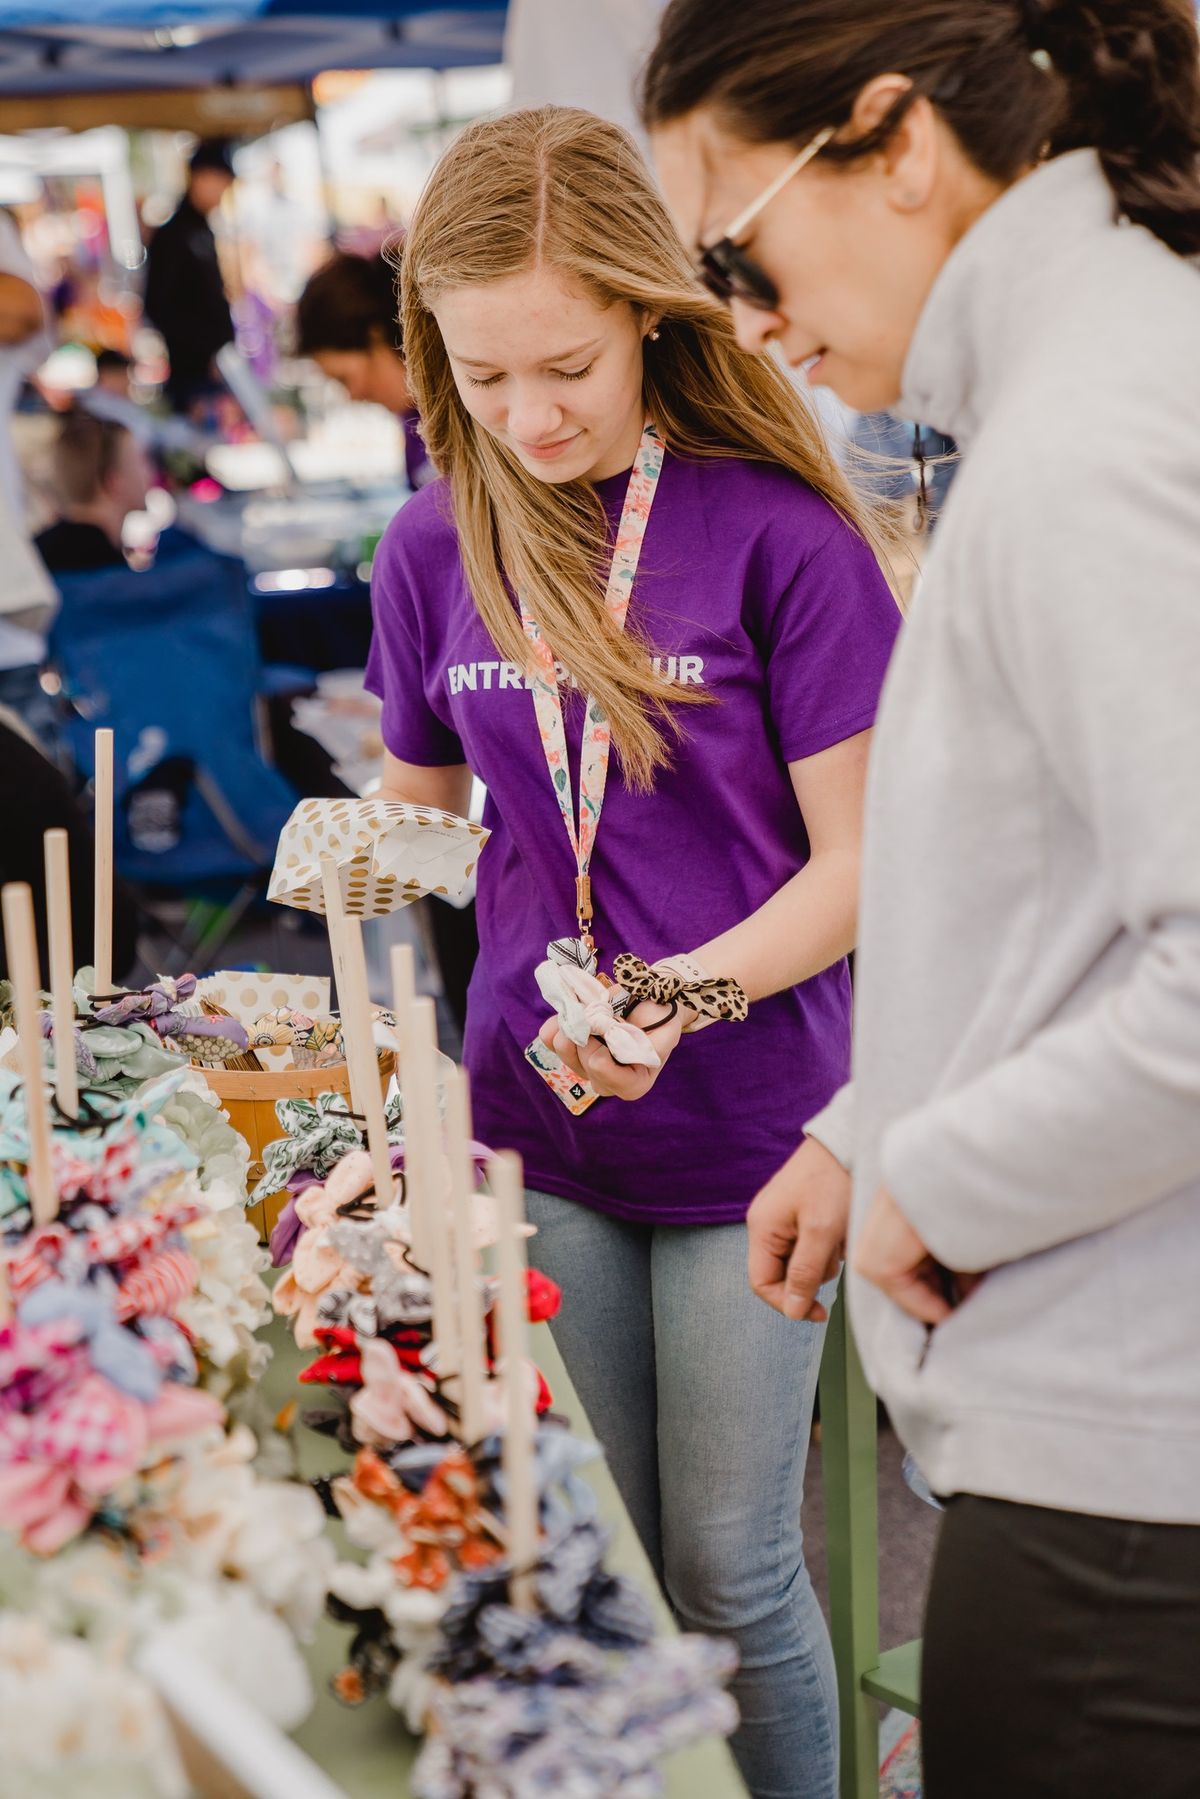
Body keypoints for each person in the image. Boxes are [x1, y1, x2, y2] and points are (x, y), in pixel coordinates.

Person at [642, 3, 1200, 1794]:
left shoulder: (1087, 438)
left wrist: (931, 1173)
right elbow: (1076, 905)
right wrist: (876, 1112)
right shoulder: (1096, 380)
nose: (742, 317)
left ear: (893, 144)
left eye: (737, 243)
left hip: (1127, 1456)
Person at [366, 106, 899, 1799]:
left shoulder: (779, 534)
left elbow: (870, 862)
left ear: (655, 313)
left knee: (732, 1565)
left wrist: (675, 995)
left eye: (570, 367)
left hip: (757, 1125)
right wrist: (346, 878)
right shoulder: (432, 540)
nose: (529, 418)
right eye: (487, 374)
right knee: (592, 1549)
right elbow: (424, 830)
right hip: (536, 1124)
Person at [297, 248, 474, 1036]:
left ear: (385, 334)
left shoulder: (463, 432)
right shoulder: (419, 452)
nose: (354, 395)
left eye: (347, 375)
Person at [296, 250, 435, 493]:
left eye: (344, 379)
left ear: (377, 338)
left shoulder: (471, 414)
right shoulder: (414, 423)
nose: (353, 395)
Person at [143, 139, 236, 415]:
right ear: (200, 177)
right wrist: (204, 350)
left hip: (212, 368)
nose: (223, 191)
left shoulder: (202, 229)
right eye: (219, 181)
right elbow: (158, 305)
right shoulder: (174, 234)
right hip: (192, 375)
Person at [35, 411, 153, 577]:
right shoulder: (106, 574)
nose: (150, 473)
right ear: (114, 482)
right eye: (142, 461)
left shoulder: (35, 553)